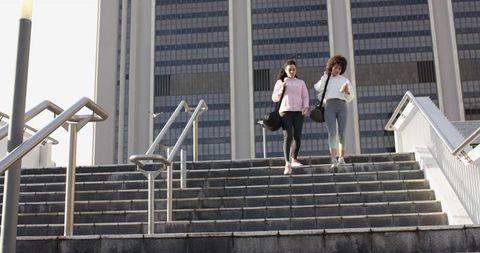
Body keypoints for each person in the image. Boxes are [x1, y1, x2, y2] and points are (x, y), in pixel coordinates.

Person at [314, 55, 355, 168]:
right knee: (332, 132)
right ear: (331, 67)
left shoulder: (344, 80)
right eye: (335, 67)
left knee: (342, 132)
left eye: (339, 68)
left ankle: (341, 157)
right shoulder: (326, 78)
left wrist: (346, 91)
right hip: (329, 106)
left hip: (342, 106)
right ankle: (333, 158)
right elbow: (317, 87)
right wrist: (325, 76)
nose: (337, 70)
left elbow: (351, 96)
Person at [271, 60, 309, 175]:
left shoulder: (301, 82)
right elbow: (274, 98)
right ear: (285, 70)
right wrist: (281, 88)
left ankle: (294, 159)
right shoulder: (280, 82)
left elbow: (305, 96)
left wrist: (306, 107)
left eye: (294, 69)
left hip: (298, 112)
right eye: (290, 69)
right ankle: (287, 163)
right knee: (288, 136)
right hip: (285, 112)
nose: (292, 71)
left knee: (297, 136)